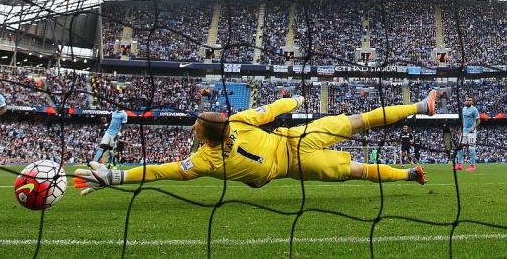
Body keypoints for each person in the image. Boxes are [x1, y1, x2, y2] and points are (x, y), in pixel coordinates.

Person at [74, 91, 437, 194]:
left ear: (202, 135)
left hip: (294, 159)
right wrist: (294, 101)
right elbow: (273, 108)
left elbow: (159, 172)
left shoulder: (205, 161)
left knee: (357, 170)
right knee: (361, 121)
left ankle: (408, 175)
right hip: (297, 141)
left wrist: (116, 178)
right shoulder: (239, 121)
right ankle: (421, 106)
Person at [455, 96, 480, 171]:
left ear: (472, 102)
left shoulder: (474, 110)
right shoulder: (463, 109)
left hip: (471, 132)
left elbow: (478, 121)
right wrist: (460, 128)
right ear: (465, 101)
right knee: (459, 147)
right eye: (467, 100)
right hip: (464, 131)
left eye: (470, 100)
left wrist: (473, 128)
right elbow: (463, 120)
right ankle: (459, 165)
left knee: (471, 149)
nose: (468, 101)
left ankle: (472, 166)